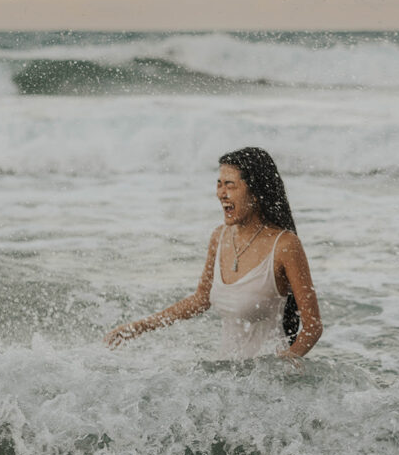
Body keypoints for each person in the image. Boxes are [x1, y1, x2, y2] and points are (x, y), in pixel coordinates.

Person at [104, 147, 322, 359]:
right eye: (219, 184)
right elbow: (200, 300)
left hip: (268, 378)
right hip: (226, 374)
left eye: (229, 185)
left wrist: (287, 363)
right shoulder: (220, 237)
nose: (221, 194)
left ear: (256, 193)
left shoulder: (285, 245)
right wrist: (138, 327)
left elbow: (313, 326)